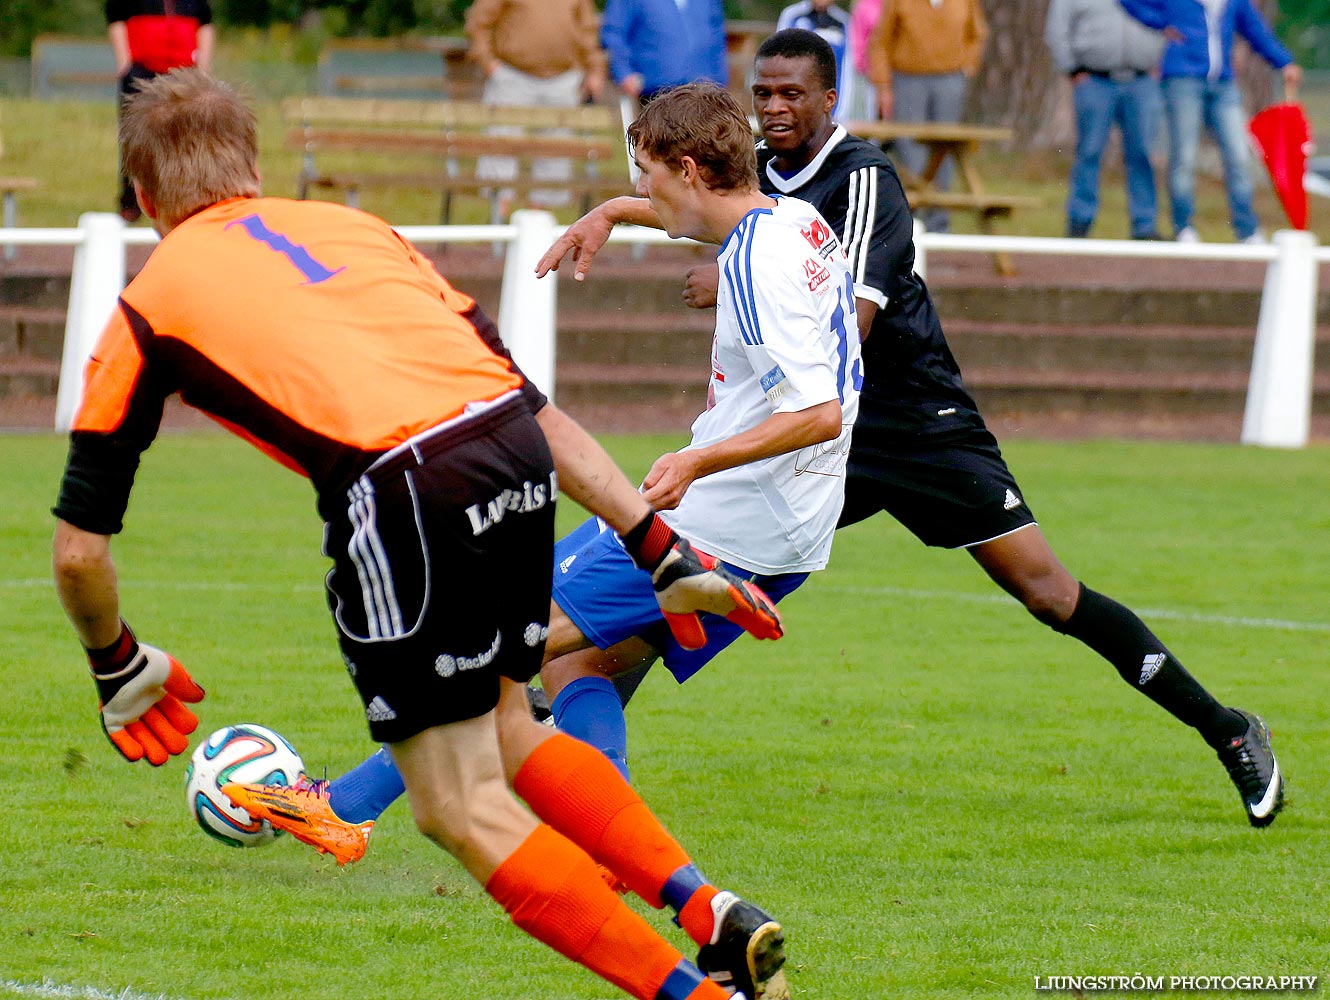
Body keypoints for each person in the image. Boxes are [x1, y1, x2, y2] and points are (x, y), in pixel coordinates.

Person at [51, 67, 790, 1000]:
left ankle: (694, 994)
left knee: (458, 805)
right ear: (252, 166)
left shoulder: (150, 304)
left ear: (147, 197)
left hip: (399, 491)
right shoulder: (361, 232)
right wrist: (658, 547)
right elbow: (529, 405)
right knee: (511, 729)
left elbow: (79, 551)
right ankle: (706, 908)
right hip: (515, 460)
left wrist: (116, 663)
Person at [554, 29, 1284, 830]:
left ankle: (1228, 729)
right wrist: (615, 211)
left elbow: (851, 325)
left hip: (908, 419)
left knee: (1046, 591)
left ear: (831, 99)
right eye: (762, 93)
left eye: (792, 93)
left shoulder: (864, 177)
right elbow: (697, 207)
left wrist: (731, 288)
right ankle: (575, 744)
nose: (774, 107)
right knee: (673, 578)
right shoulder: (752, 171)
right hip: (813, 433)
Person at [1118, 0, 1302, 244]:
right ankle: (1184, 228)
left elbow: (1255, 30)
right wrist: (1161, 24)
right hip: (1183, 79)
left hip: (1223, 82)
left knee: (1238, 156)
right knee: (1184, 156)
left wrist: (1283, 61)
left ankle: (1247, 231)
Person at [463, 0, 607, 215]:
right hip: (512, 74)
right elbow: (479, 21)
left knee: (555, 149)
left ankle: (538, 221)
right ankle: (499, 219)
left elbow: (587, 30)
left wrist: (595, 69)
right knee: (502, 142)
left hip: (563, 78)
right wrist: (488, 63)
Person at [1044, 0, 1166, 240]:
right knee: (1089, 152)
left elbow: (1175, 18)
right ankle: (1079, 223)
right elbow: (1056, 29)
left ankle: (1144, 226)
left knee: (1142, 154)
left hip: (1142, 81)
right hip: (1094, 81)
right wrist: (1072, 69)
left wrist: (1162, 61)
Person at [864, 0, 988, 233]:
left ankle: (939, 226)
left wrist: (967, 67)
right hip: (907, 80)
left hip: (950, 80)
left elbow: (977, 33)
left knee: (944, 150)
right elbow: (880, 41)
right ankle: (908, 223)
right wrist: (883, 85)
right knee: (910, 150)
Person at [106, 0, 213, 223]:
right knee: (136, 139)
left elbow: (205, 23)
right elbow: (116, 16)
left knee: (185, 140)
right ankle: (131, 200)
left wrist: (202, 69)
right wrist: (124, 62)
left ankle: (183, 197)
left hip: (182, 74)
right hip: (141, 72)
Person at [599, 0, 728, 111]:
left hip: (703, 89)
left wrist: (720, 78)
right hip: (655, 89)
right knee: (663, 136)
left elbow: (717, 34)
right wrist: (623, 72)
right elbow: (614, 33)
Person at [776, 0, 871, 123]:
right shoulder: (792, 16)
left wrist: (841, 112)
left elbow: (848, 72)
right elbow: (781, 61)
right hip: (796, 106)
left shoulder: (844, 22)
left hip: (833, 110)